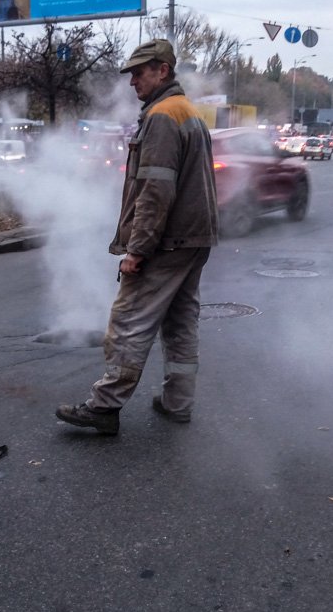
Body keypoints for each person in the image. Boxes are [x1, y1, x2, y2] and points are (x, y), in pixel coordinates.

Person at [55, 39, 219, 436]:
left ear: (163, 70)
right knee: (181, 323)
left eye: (139, 72)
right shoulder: (189, 113)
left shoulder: (163, 116)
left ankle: (104, 406)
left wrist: (136, 250)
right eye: (130, 74)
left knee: (130, 319)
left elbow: (155, 191)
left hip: (167, 242)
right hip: (195, 240)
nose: (132, 82)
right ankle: (177, 403)